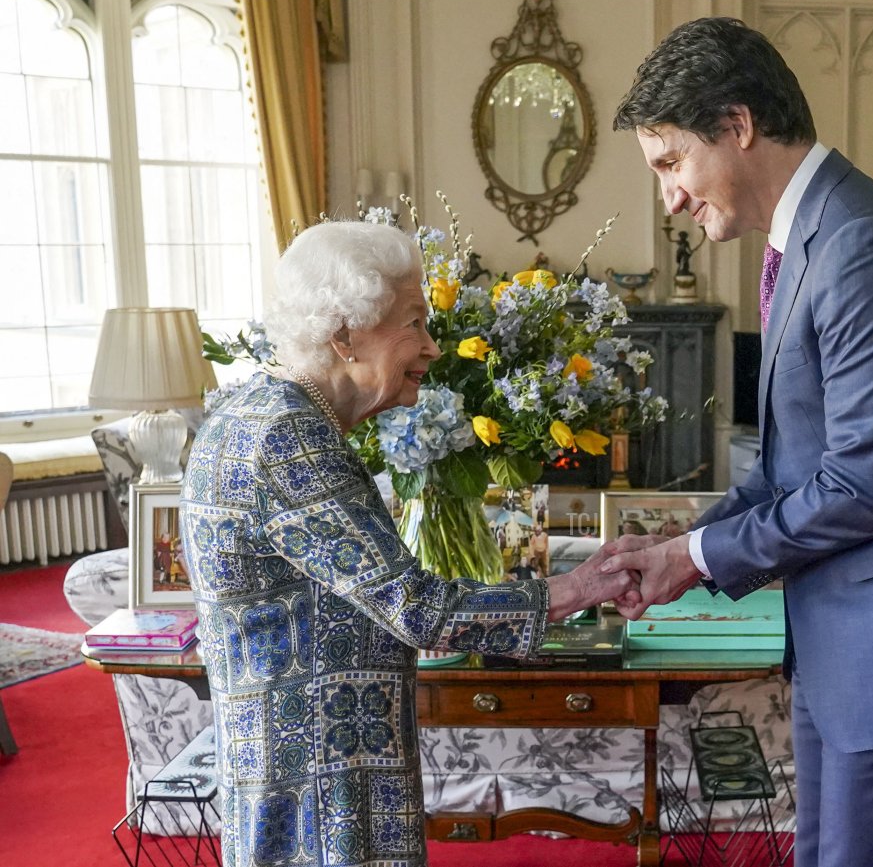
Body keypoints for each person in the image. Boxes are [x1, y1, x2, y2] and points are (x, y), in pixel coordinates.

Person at [604, 17, 873, 867]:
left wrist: (695, 557)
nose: (670, 199)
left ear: (737, 126)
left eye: (670, 163)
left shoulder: (862, 246)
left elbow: (861, 488)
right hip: (848, 630)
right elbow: (788, 467)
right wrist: (680, 537)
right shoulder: (810, 238)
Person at [178, 220, 634, 867]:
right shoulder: (289, 438)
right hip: (323, 788)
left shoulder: (247, 411)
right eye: (414, 323)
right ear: (344, 334)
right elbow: (418, 608)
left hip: (283, 767)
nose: (432, 346)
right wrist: (575, 588)